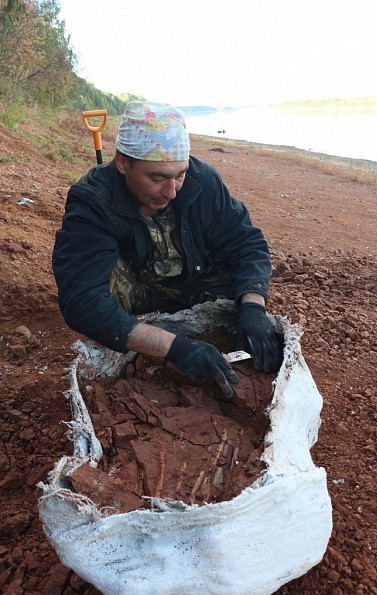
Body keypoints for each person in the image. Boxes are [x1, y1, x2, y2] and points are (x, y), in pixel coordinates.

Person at [52, 101, 281, 399]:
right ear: (123, 162)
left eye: (180, 175)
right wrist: (174, 348)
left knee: (241, 280)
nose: (172, 191)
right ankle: (141, 334)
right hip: (135, 294)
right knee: (96, 301)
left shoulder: (203, 181)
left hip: (194, 283)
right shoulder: (92, 201)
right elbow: (81, 300)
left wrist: (253, 307)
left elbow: (246, 243)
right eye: (158, 177)